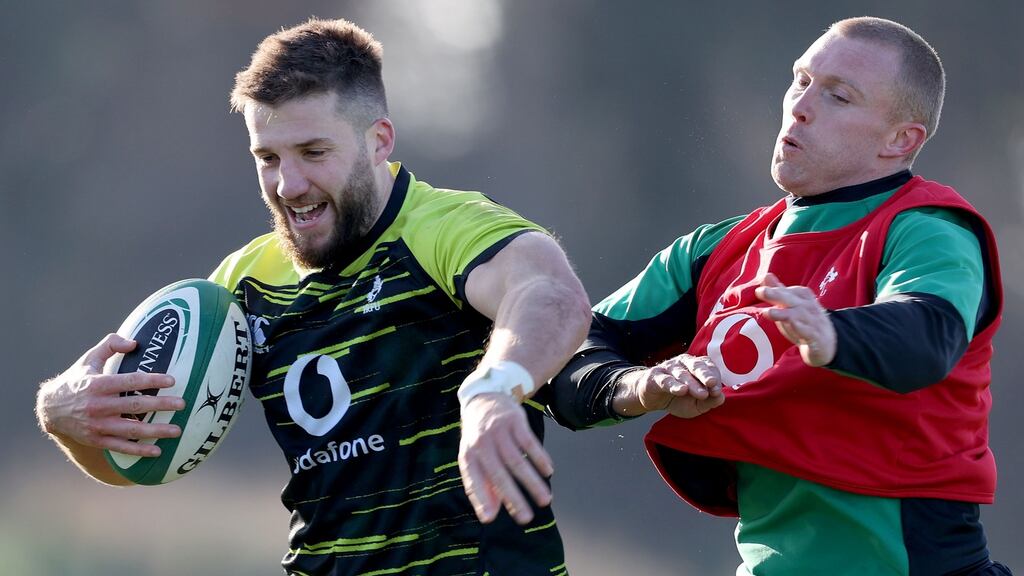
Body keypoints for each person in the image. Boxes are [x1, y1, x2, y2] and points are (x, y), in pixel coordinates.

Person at [34, 18, 591, 576]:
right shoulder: (239, 286)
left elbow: (551, 296)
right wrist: (62, 411)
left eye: (312, 151)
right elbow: (139, 456)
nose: (288, 184)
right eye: (268, 158)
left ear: (379, 140)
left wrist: (494, 389)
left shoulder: (446, 229)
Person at [549, 16, 1012, 576]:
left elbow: (927, 335)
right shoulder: (716, 249)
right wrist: (639, 386)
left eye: (839, 96)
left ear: (901, 140)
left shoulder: (927, 227)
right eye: (801, 80)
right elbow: (573, 351)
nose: (800, 105)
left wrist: (834, 335)